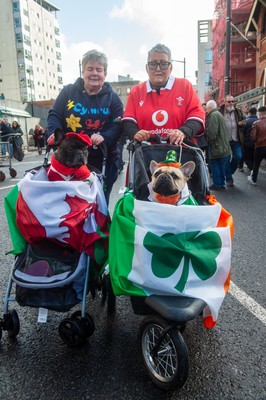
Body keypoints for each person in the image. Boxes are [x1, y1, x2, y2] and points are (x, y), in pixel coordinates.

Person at [47, 49, 123, 204]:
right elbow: (54, 114)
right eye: (90, 69)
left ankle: (97, 226)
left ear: (105, 74)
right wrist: (54, 133)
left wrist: (105, 136)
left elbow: (117, 124)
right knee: (70, 201)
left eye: (99, 70)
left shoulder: (113, 98)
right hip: (68, 158)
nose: (94, 73)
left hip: (103, 158)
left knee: (99, 201)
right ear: (83, 72)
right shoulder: (68, 91)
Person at [122, 43, 205, 145]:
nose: (158, 69)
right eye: (153, 64)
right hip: (146, 155)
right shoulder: (136, 91)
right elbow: (128, 119)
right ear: (147, 68)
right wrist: (135, 133)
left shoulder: (185, 86)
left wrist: (183, 132)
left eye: (163, 64)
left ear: (171, 67)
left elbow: (197, 115)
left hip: (181, 154)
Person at [218, 95, 245, 187]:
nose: (231, 103)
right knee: (226, 159)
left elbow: (243, 121)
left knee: (238, 156)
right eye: (229, 101)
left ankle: (229, 171)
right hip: (224, 140)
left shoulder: (238, 111)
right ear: (224, 102)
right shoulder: (219, 112)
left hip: (236, 139)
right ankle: (229, 179)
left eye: (233, 101)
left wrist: (242, 124)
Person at [205, 100, 232, 190]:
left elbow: (212, 132)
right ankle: (221, 183)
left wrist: (209, 141)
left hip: (217, 145)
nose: (206, 110)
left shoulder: (212, 115)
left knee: (214, 163)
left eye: (206, 108)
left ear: (209, 107)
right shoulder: (218, 113)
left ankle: (217, 184)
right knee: (220, 165)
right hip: (223, 145)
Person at [247, 106, 266, 185]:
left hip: (259, 146)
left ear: (259, 113)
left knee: (256, 164)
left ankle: (254, 179)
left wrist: (256, 142)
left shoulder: (256, 123)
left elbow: (253, 137)